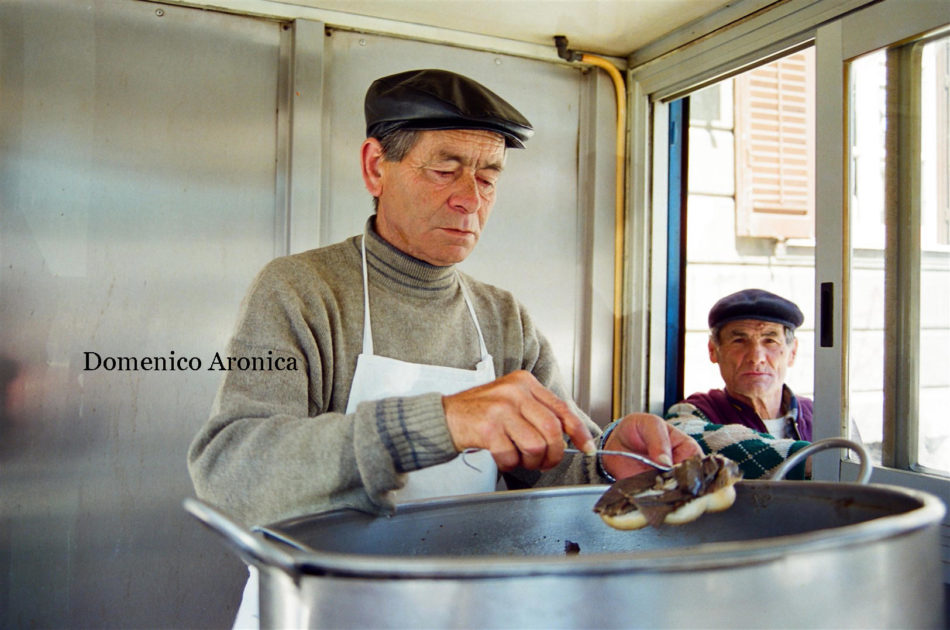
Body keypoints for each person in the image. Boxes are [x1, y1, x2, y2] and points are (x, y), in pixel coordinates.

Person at [187, 68, 702, 533]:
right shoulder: (302, 290)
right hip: (329, 603)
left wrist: (613, 462)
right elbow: (230, 475)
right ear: (375, 168)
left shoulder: (504, 320)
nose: (470, 200)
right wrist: (440, 423)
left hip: (468, 599)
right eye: (444, 169)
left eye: (487, 176)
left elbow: (560, 470)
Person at [665, 288, 812, 479]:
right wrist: (811, 459)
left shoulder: (822, 416)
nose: (756, 357)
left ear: (792, 352)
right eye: (739, 340)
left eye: (770, 340)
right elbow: (686, 442)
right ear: (713, 350)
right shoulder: (695, 412)